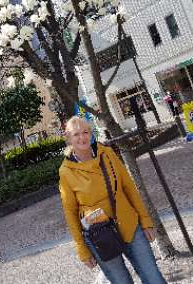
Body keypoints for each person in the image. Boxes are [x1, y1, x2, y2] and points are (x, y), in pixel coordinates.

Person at [59, 116, 167, 284]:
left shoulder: (107, 154)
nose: (82, 137)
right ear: (68, 138)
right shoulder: (66, 171)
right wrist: (82, 249)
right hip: (99, 234)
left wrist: (145, 220)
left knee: (153, 278)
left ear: (91, 133)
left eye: (86, 132)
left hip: (129, 224)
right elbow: (70, 212)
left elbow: (128, 187)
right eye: (76, 134)